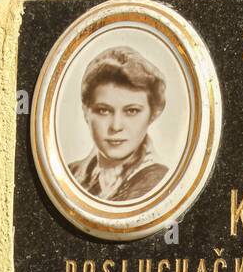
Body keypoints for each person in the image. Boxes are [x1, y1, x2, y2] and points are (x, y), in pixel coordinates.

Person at [69, 46, 170, 201]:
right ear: (85, 112)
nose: (116, 126)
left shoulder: (159, 183)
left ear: (153, 114)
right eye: (103, 110)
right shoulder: (71, 174)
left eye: (132, 111)